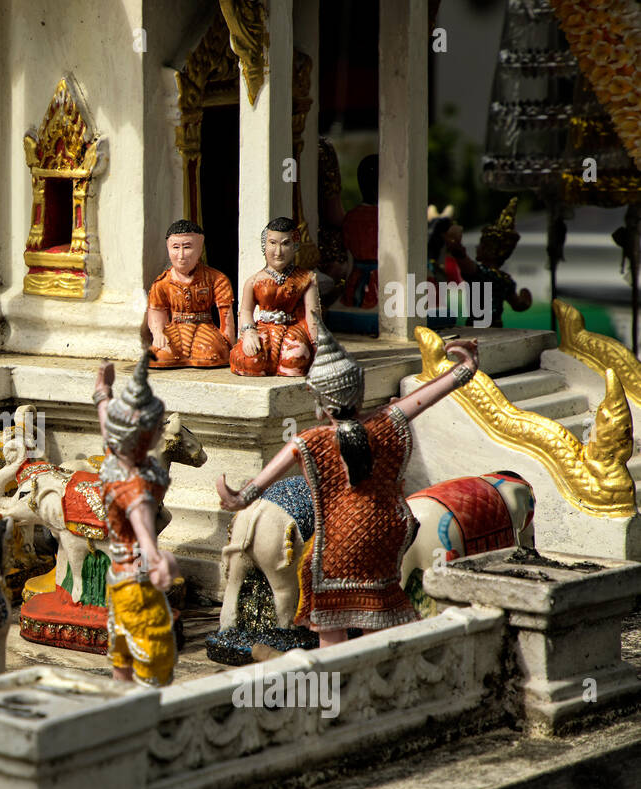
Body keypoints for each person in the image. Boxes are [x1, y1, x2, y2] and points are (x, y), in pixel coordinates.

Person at [217, 325, 480, 647]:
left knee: (330, 621)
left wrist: (235, 499)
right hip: (386, 537)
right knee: (379, 619)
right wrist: (466, 367)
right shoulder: (389, 420)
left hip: (339, 543)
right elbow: (425, 398)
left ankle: (336, 680)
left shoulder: (309, 441)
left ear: (320, 402)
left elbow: (251, 491)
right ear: (359, 392)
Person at [93, 351, 179, 686]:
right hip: (139, 583)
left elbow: (108, 427)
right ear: (147, 437)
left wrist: (103, 393)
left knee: (122, 657)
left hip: (117, 581)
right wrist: (159, 560)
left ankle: (120, 716)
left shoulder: (115, 458)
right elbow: (144, 529)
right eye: (158, 426)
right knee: (155, 663)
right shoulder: (137, 487)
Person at [230, 217, 322, 377]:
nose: (278, 252)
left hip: (293, 329)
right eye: (272, 243)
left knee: (295, 360)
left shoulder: (307, 278)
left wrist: (317, 346)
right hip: (263, 329)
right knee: (251, 361)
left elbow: (312, 314)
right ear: (264, 245)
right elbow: (245, 311)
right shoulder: (253, 281)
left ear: (295, 246)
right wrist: (249, 333)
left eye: (285, 244)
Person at [146, 220, 235, 369]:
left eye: (187, 247)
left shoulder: (216, 279)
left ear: (200, 249)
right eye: (175, 247)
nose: (181, 255)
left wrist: (228, 344)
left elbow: (226, 315)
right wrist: (158, 334)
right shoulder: (162, 282)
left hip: (205, 329)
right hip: (174, 330)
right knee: (159, 356)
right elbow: (156, 311)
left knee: (211, 354)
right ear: (168, 248)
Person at [446, 197, 532, 329]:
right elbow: (519, 304)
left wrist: (455, 246)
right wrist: (525, 297)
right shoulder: (505, 279)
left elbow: (462, 259)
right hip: (496, 326)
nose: (477, 247)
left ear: (490, 250)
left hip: (477, 328)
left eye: (481, 244)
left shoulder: (481, 273)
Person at [340, 154, 379, 309]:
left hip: (355, 280)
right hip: (378, 282)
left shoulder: (351, 217)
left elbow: (347, 249)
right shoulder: (384, 217)